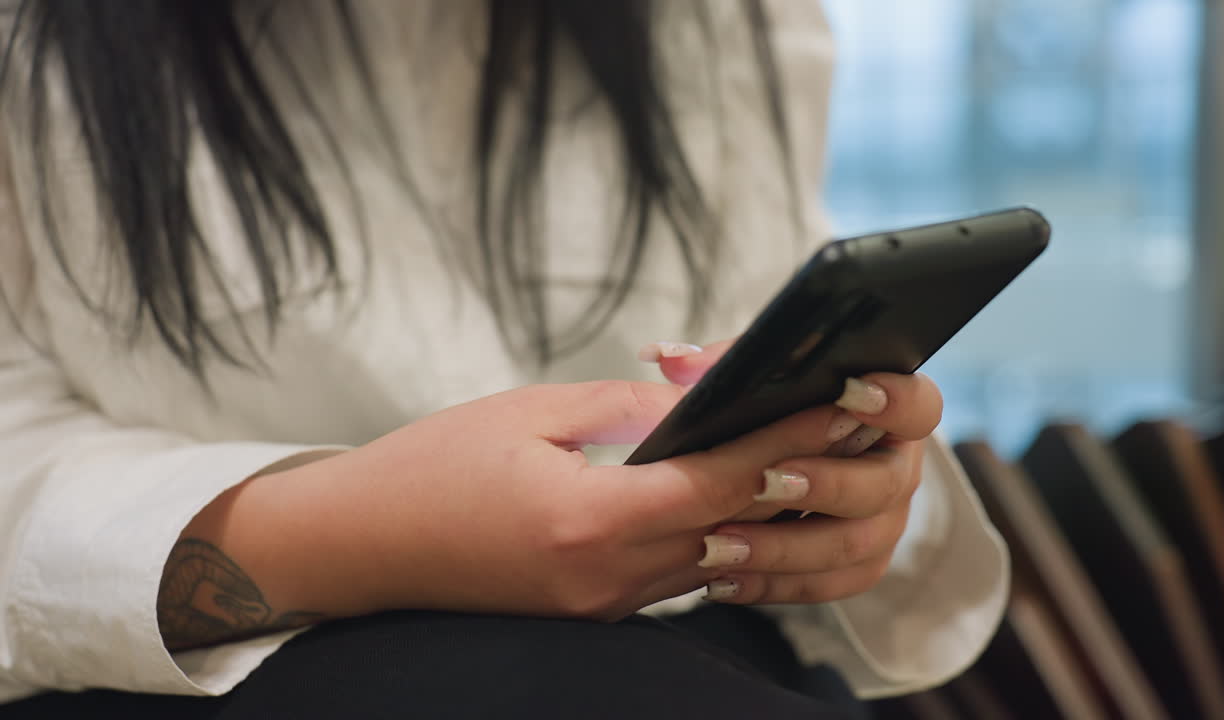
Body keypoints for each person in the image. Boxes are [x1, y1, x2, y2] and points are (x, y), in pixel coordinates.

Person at [0, 1, 1009, 717]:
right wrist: (358, 534)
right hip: (188, 674)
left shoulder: (715, 21)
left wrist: (839, 481)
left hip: (697, 644)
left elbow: (746, 311)